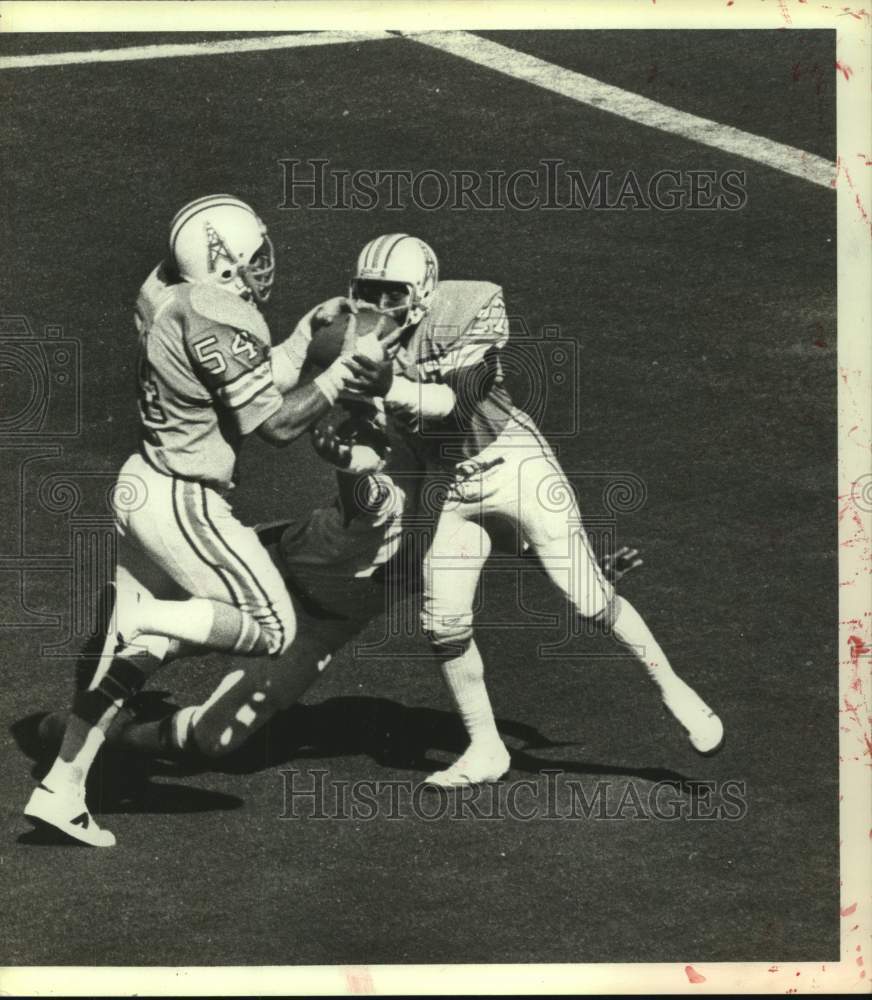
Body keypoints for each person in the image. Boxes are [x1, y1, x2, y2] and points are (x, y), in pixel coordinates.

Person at [24, 195, 389, 846]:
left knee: (125, 664)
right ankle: (154, 623)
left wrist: (303, 338)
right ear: (222, 267)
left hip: (140, 482)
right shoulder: (220, 315)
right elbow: (274, 422)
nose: (263, 268)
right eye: (251, 259)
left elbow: (240, 384)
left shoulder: (166, 291)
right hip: (184, 498)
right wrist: (338, 373)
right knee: (272, 625)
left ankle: (61, 791)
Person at [309, 234, 724, 788]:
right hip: (453, 485)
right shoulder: (354, 341)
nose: (381, 309)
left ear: (424, 292)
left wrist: (392, 386)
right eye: (371, 293)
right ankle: (486, 748)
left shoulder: (467, 311)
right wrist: (341, 438)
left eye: (394, 294)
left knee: (589, 599)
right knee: (442, 620)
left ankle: (675, 689)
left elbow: (458, 398)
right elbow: (371, 434)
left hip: (515, 467)